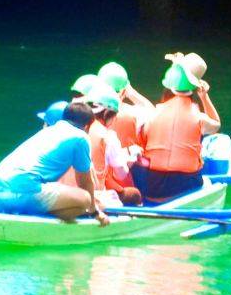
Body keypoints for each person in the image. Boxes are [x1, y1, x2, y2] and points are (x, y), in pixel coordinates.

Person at [0, 102, 110, 225]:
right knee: (85, 199)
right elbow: (84, 181)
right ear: (87, 126)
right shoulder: (81, 137)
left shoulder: (46, 131)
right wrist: (94, 212)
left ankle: (24, 214)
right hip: (24, 192)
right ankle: (42, 220)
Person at [132, 53, 221, 203]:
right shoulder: (199, 117)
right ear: (195, 87)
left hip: (154, 189)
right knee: (206, 178)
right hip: (185, 186)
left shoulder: (153, 114)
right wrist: (205, 97)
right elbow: (216, 124)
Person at [84, 85, 142, 206]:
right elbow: (120, 174)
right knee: (134, 194)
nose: (115, 120)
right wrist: (130, 157)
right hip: (94, 197)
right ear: (106, 113)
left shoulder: (79, 127)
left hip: (73, 191)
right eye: (114, 115)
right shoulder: (108, 136)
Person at [98, 60, 154, 149]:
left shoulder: (86, 113)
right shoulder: (134, 113)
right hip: (127, 161)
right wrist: (132, 93)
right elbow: (153, 114)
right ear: (124, 90)